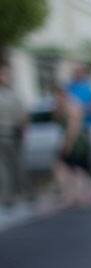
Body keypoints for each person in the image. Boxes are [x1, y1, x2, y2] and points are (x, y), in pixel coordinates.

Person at [52, 86, 91, 208]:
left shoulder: (72, 107)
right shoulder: (63, 108)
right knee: (74, 170)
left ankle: (73, 196)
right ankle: (76, 196)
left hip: (76, 143)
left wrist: (67, 146)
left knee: (71, 169)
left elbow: (72, 129)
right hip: (76, 142)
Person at [0, 60, 27, 213]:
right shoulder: (14, 96)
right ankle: (23, 194)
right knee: (17, 165)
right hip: (13, 134)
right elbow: (23, 118)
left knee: (4, 168)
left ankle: (7, 198)